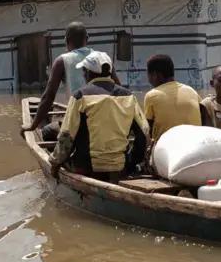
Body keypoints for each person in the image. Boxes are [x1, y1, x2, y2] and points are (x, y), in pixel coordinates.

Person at [48, 51, 148, 182]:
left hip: (87, 168)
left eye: (84, 71)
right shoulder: (129, 96)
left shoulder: (80, 96)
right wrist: (131, 163)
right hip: (120, 167)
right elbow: (144, 132)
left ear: (88, 73)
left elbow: (67, 135)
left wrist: (55, 162)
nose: (84, 75)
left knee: (51, 136)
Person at [143, 54, 206, 145]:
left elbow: (147, 129)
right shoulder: (191, 91)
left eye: (148, 75)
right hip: (195, 145)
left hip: (166, 148)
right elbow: (204, 114)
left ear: (156, 75)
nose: (148, 80)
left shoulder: (151, 96)